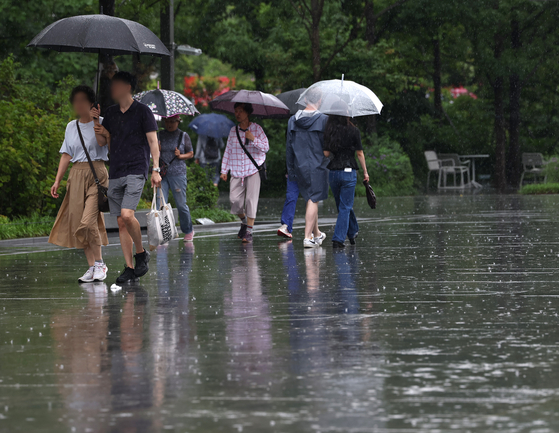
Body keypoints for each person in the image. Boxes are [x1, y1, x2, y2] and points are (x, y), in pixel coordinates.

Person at [91, 71, 161, 283]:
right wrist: (96, 123)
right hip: (116, 171)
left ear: (128, 87)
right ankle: (130, 268)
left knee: (127, 214)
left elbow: (153, 142)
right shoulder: (111, 114)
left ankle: (140, 253)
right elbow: (104, 143)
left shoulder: (143, 111)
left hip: (136, 168)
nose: (113, 88)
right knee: (121, 222)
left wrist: (155, 169)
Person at [49, 85, 110, 283]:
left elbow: (103, 144)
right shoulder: (70, 126)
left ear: (92, 103)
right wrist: (58, 180)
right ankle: (92, 267)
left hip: (96, 173)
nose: (79, 104)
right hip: (76, 174)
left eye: (83, 100)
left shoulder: (102, 122)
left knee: (88, 220)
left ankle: (100, 263)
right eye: (76, 100)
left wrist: (95, 121)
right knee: (78, 222)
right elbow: (67, 154)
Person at [279, 88, 329, 248]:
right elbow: (328, 145)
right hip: (318, 166)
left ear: (305, 100)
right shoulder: (324, 120)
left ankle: (317, 233)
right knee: (314, 199)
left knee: (310, 200)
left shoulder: (292, 120)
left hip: (299, 165)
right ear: (320, 100)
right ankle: (308, 237)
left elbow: (289, 148)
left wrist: (291, 169)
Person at [220, 102, 269, 244]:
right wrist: (224, 170)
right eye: (236, 111)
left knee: (250, 200)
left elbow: (266, 147)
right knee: (234, 200)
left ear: (247, 113)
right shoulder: (233, 131)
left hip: (253, 169)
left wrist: (253, 138)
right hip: (236, 170)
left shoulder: (257, 129)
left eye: (240, 111)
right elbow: (228, 151)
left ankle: (249, 231)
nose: (237, 114)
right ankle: (244, 221)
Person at [322, 106, 369, 249]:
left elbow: (326, 154)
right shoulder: (354, 130)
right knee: (345, 206)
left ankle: (353, 230)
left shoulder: (329, 130)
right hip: (349, 172)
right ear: (346, 114)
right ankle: (338, 239)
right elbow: (360, 153)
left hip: (334, 173)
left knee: (343, 205)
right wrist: (365, 172)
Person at [157, 115, 195, 241]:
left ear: (178, 122)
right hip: (162, 174)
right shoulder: (159, 135)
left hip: (178, 173)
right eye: (167, 121)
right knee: (160, 204)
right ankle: (164, 233)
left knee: (181, 204)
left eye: (172, 121)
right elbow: (152, 152)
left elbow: (191, 153)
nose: (169, 124)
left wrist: (180, 156)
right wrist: (157, 150)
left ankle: (188, 230)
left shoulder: (183, 135)